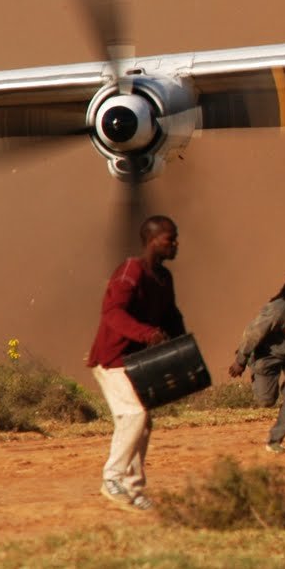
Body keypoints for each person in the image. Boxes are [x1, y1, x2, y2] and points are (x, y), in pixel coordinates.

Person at [86, 215, 186, 512]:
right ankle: (112, 479)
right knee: (134, 416)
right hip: (112, 358)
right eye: (170, 238)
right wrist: (146, 334)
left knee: (142, 424)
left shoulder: (164, 278)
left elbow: (171, 315)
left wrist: (180, 344)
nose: (175, 244)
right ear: (153, 240)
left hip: (137, 361)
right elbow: (112, 313)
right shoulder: (131, 270)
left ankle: (132, 490)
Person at [227, 263, 285, 454]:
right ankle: (257, 372)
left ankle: (274, 440)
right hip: (268, 354)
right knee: (266, 401)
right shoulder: (280, 309)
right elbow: (253, 332)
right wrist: (240, 361)